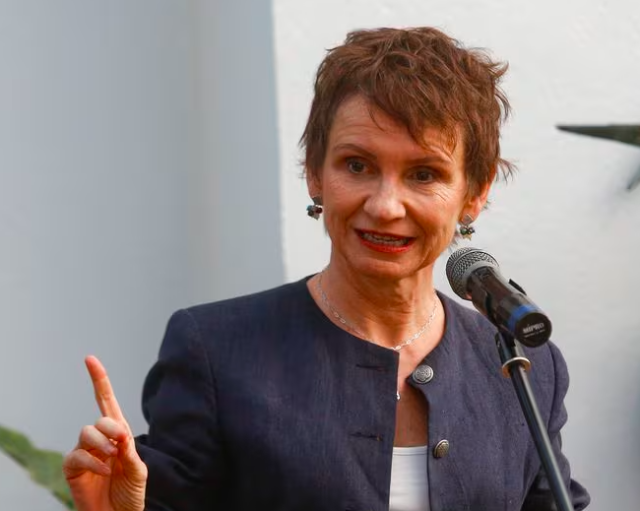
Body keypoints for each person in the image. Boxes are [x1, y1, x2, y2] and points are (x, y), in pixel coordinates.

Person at [62, 27, 590, 511]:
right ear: (315, 172)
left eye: (424, 174)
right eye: (357, 165)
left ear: (474, 194)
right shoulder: (215, 352)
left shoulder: (526, 369)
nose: (385, 206)